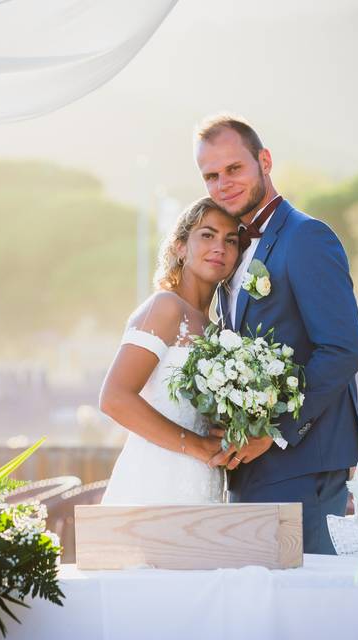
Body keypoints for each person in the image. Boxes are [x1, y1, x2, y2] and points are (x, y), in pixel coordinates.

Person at [195, 114, 358, 554]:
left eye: (234, 169)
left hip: (303, 462)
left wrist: (273, 431)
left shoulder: (307, 237)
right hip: (251, 467)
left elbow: (343, 349)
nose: (223, 184)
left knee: (308, 610)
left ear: (264, 161)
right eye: (211, 176)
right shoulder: (230, 254)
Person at [99, 197, 240, 504]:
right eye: (207, 235)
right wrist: (199, 447)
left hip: (207, 480)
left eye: (231, 240)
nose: (220, 247)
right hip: (155, 480)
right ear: (179, 247)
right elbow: (114, 398)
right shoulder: (165, 307)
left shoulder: (220, 332)